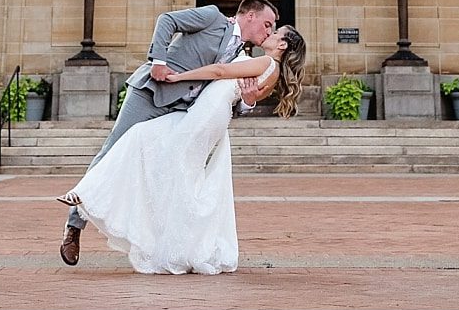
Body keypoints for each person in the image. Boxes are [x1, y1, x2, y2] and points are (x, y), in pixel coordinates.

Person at [57, 26, 307, 275]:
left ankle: (101, 202)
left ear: (282, 45)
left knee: (157, 155)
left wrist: (179, 77)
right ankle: (93, 197)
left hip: (206, 117)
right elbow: (245, 94)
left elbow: (221, 71)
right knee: (151, 146)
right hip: (206, 114)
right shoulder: (271, 70)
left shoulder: (265, 62)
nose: (270, 33)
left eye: (276, 33)